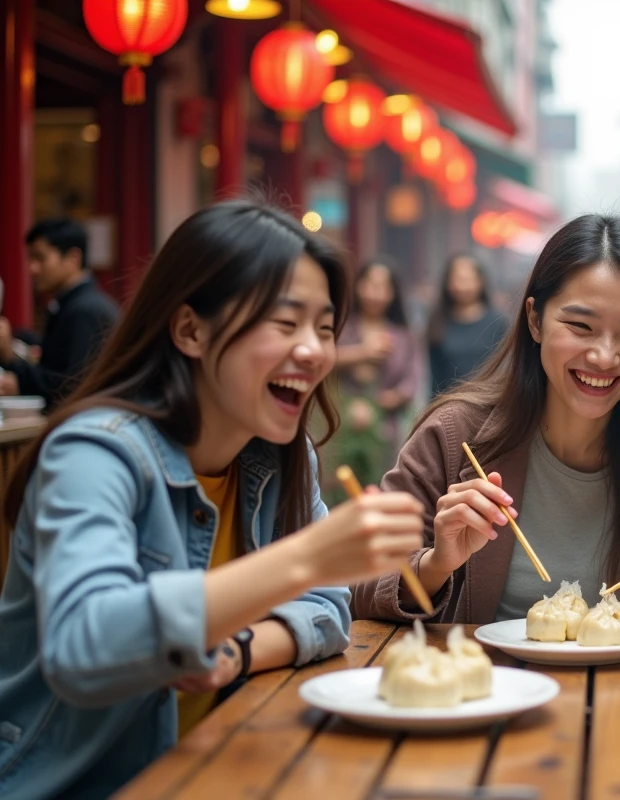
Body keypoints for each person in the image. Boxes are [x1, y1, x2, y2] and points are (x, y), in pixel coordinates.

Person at [0, 201, 424, 800]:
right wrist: (307, 557)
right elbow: (84, 645)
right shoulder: (95, 454)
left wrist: (237, 649)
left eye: (325, 328)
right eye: (284, 322)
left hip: (217, 766)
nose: (312, 351)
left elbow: (328, 609)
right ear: (191, 329)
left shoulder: (279, 457)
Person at [352, 214, 620, 628]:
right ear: (536, 320)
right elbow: (361, 584)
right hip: (488, 688)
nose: (604, 356)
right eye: (581, 326)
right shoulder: (454, 435)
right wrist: (436, 563)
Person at [326, 257, 420, 503]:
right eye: (369, 284)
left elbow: (411, 382)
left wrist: (383, 401)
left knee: (379, 491)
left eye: (383, 287)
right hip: (339, 430)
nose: (375, 293)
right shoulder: (343, 327)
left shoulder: (403, 335)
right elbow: (325, 359)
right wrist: (363, 352)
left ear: (392, 293)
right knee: (339, 495)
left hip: (384, 432)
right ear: (358, 287)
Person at [0, 217, 120, 407]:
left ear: (73, 258)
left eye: (40, 258)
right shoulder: (78, 303)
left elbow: (71, 385)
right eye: (30, 258)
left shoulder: (84, 310)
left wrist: (11, 361)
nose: (32, 268)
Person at [426, 254, 507, 396]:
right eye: (457, 279)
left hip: (490, 404)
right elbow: (435, 378)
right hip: (448, 406)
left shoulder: (498, 323)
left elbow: (507, 370)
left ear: (480, 281)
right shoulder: (438, 322)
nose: (462, 285)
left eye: (468, 279)